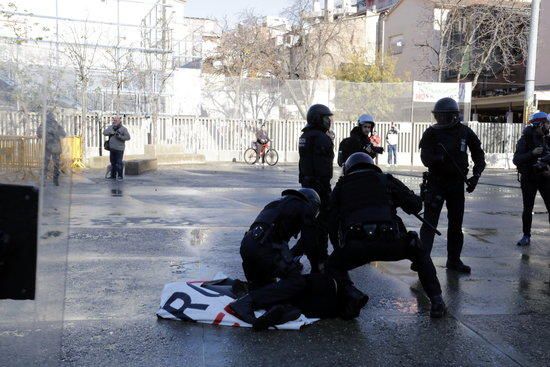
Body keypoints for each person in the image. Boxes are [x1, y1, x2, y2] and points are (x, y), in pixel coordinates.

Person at [325, 153, 446, 318]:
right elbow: (414, 205)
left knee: (331, 266)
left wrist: (339, 248)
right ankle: (437, 301)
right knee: (418, 249)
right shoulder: (386, 180)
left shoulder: (341, 187)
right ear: (371, 165)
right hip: (390, 242)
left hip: (357, 246)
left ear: (348, 169)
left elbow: (330, 222)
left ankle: (353, 295)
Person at [417, 97, 486, 274]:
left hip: (456, 184)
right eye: (438, 116)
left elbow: (479, 157)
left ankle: (454, 260)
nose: (439, 120)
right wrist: (438, 158)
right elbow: (425, 158)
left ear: (453, 116)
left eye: (443, 117)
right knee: (429, 224)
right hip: (436, 183)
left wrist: (475, 177)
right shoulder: (431, 133)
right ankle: (422, 260)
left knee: (456, 225)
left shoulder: (465, 132)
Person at [240, 188, 322, 290]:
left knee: (264, 287)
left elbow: (302, 243)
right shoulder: (304, 206)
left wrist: (291, 256)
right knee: (296, 281)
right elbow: (310, 241)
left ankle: (246, 295)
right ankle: (251, 299)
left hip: (247, 245)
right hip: (264, 250)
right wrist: (316, 269)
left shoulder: (282, 203)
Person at [226, 272, 368, 330]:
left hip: (327, 291)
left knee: (292, 288)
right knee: (295, 303)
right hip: (326, 309)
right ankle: (281, 312)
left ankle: (247, 298)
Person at [298, 104, 335, 266]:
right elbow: (323, 167)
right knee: (323, 224)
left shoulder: (305, 136)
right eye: (326, 118)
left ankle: (301, 256)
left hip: (306, 186)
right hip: (320, 187)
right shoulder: (321, 138)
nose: (329, 121)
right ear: (317, 118)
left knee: (309, 223)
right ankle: (320, 257)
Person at [513, 111, 550, 246]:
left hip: (545, 178)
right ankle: (526, 236)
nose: (548, 126)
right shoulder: (525, 140)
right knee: (528, 208)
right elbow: (516, 160)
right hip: (529, 178)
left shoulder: (547, 138)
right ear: (540, 124)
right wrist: (532, 153)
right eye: (546, 124)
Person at [37, 110, 66, 186]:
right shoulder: (57, 125)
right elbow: (63, 134)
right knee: (56, 164)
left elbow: (38, 134)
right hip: (56, 147)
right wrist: (56, 134)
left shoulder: (43, 125)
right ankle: (55, 181)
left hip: (47, 147)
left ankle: (43, 181)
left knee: (45, 164)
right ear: (53, 117)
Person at [103, 116, 131, 181]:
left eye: (116, 120)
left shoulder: (123, 129)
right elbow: (104, 132)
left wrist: (120, 136)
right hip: (112, 148)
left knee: (119, 163)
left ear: (119, 121)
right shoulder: (111, 127)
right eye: (114, 120)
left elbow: (128, 137)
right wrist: (110, 132)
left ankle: (120, 176)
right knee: (112, 162)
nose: (114, 121)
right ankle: (113, 176)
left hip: (119, 149)